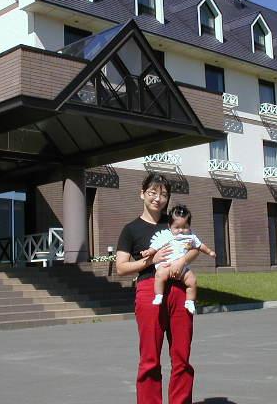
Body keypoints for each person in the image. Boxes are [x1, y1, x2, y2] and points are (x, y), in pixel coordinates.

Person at [116, 173, 199, 404]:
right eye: (153, 192)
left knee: (182, 357)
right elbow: (121, 267)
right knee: (150, 358)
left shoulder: (174, 223)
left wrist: (183, 261)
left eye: (163, 194)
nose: (158, 198)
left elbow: (194, 246)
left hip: (180, 290)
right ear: (142, 193)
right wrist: (150, 261)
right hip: (149, 291)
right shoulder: (131, 229)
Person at [141, 204, 216, 314]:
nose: (181, 230)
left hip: (183, 268)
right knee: (160, 275)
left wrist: (209, 252)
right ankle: (159, 295)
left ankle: (190, 301)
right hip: (166, 265)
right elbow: (156, 245)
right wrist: (148, 251)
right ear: (169, 226)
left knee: (192, 281)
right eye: (177, 227)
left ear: (189, 226)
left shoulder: (191, 236)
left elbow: (200, 246)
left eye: (185, 227)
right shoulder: (166, 235)